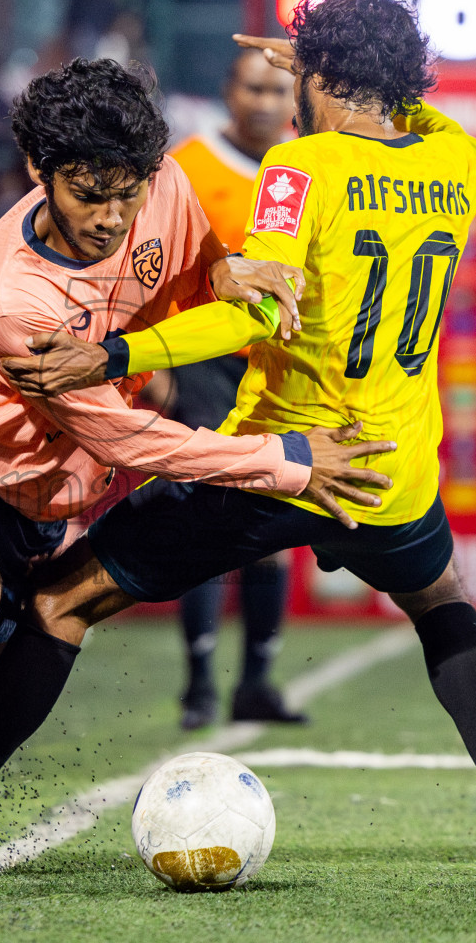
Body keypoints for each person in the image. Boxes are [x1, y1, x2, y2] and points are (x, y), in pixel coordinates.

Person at [0, 0, 476, 878]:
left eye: (301, 75)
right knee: (442, 604)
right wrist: (347, 67)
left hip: (277, 459)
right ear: (401, 80)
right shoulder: (459, 158)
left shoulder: (296, 168)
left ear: (318, 76)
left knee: (59, 602)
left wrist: (120, 351)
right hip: (388, 468)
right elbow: (417, 114)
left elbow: (248, 312)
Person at [0, 57, 388, 892]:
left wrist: (230, 271)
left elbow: (202, 261)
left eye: (127, 193)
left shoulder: (162, 185)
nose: (113, 216)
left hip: (36, 490)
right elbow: (126, 440)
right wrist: (287, 462)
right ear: (39, 173)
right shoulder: (11, 298)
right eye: (90, 194)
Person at [166, 49, 302, 728]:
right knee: (206, 511)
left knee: (269, 522)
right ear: (229, 90)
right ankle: (198, 683)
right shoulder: (188, 165)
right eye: (253, 87)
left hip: (272, 365)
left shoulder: (301, 168)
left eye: (280, 88)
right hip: (204, 362)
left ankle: (255, 682)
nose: (265, 101)